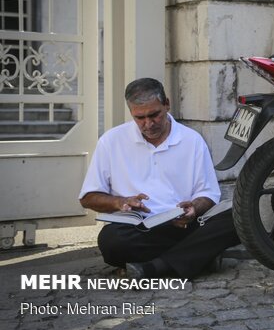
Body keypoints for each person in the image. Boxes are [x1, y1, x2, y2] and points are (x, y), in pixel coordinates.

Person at [79, 77, 239, 279]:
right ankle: (196, 257)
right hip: (136, 229)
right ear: (131, 113)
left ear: (167, 105)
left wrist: (194, 208)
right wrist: (121, 202)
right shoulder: (111, 141)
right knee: (111, 242)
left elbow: (208, 193)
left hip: (182, 226)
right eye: (140, 118)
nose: (148, 124)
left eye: (154, 115)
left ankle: (153, 267)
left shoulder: (192, 140)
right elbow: (88, 197)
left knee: (235, 219)